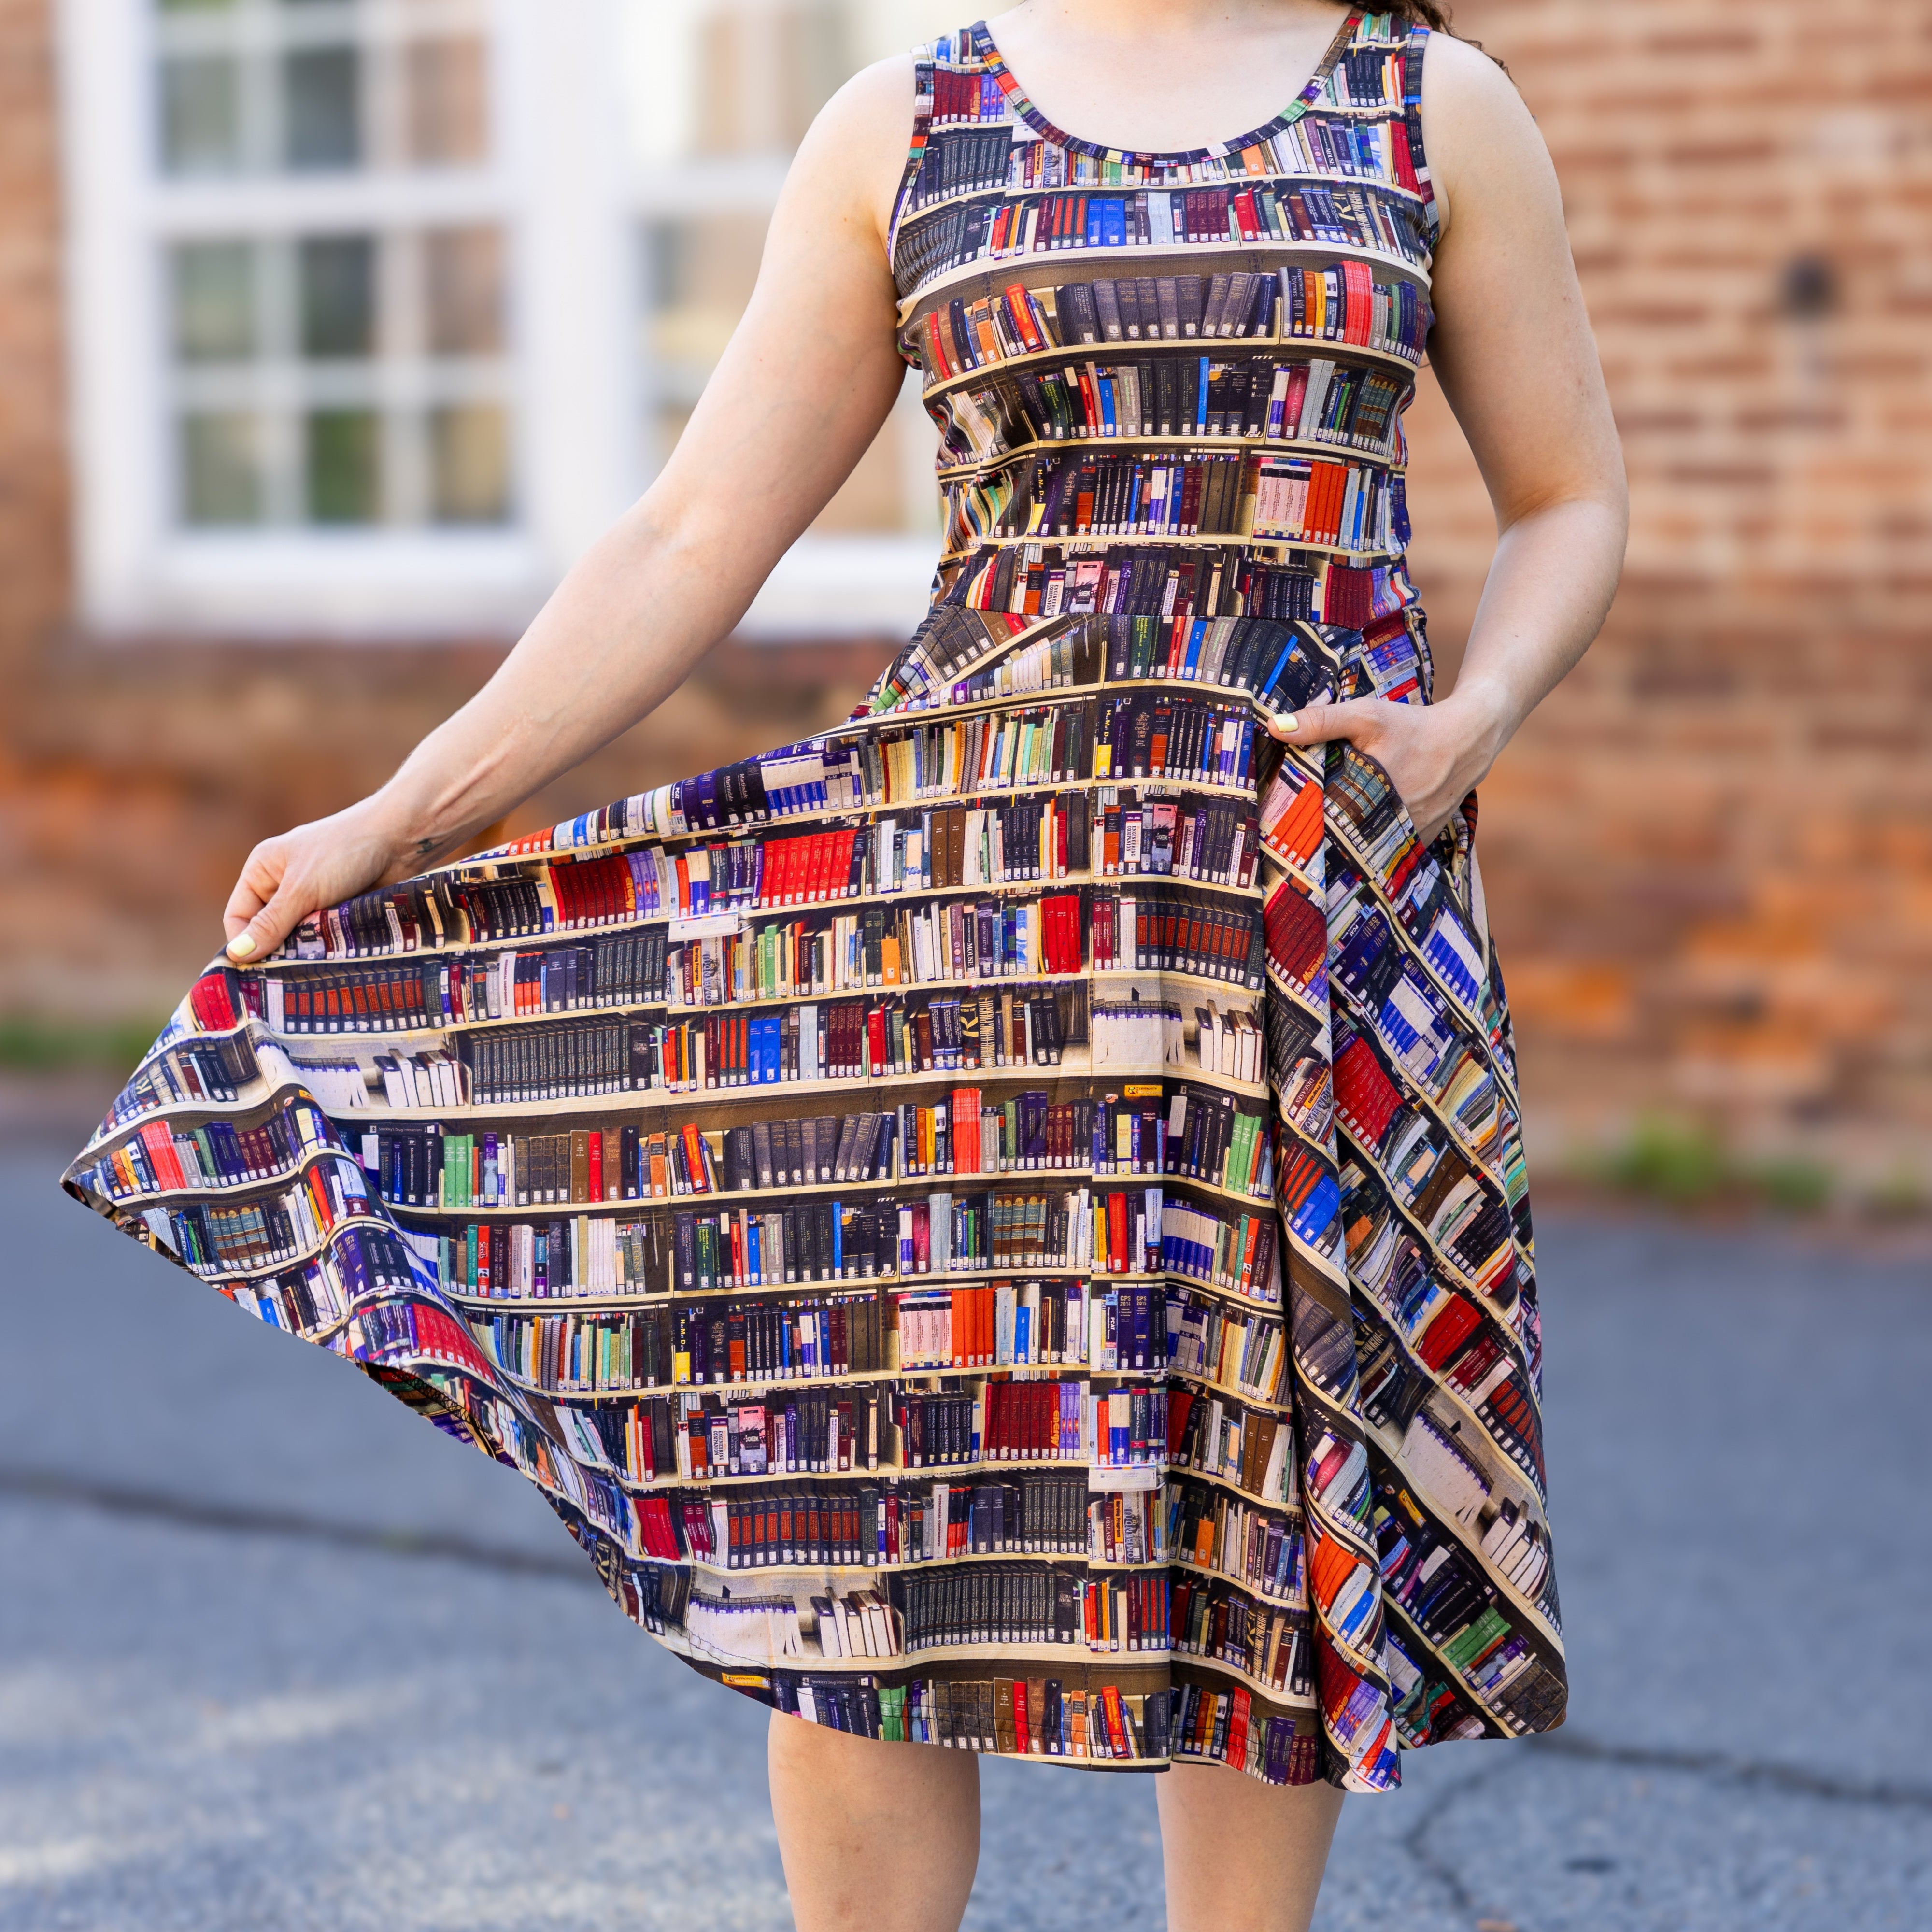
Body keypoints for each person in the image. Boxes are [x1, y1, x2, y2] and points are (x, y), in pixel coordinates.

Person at [187, 4, 1622, 1928]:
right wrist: (402, 813)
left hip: (1302, 923)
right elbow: (690, 534)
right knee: (863, 1538)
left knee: (1264, 1517)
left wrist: (1476, 714)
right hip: (953, 933)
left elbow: (1569, 497)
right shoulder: (906, 122)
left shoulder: (1432, 105)